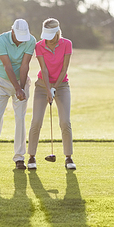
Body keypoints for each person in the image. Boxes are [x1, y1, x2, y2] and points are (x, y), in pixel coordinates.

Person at [0, 19, 36, 170]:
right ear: (12, 31)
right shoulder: (1, 40)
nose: (21, 39)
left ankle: (19, 158)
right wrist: (18, 88)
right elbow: (7, 66)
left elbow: (25, 66)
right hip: (1, 82)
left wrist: (22, 88)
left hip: (21, 81)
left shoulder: (31, 40)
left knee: (20, 118)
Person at [27, 18, 76, 170]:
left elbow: (64, 69)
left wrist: (55, 88)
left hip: (62, 85)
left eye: (50, 35)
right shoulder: (39, 46)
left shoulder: (66, 44)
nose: (47, 39)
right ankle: (31, 157)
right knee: (36, 121)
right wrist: (49, 89)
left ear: (57, 33)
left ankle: (68, 157)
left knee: (65, 122)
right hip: (42, 85)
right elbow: (45, 70)